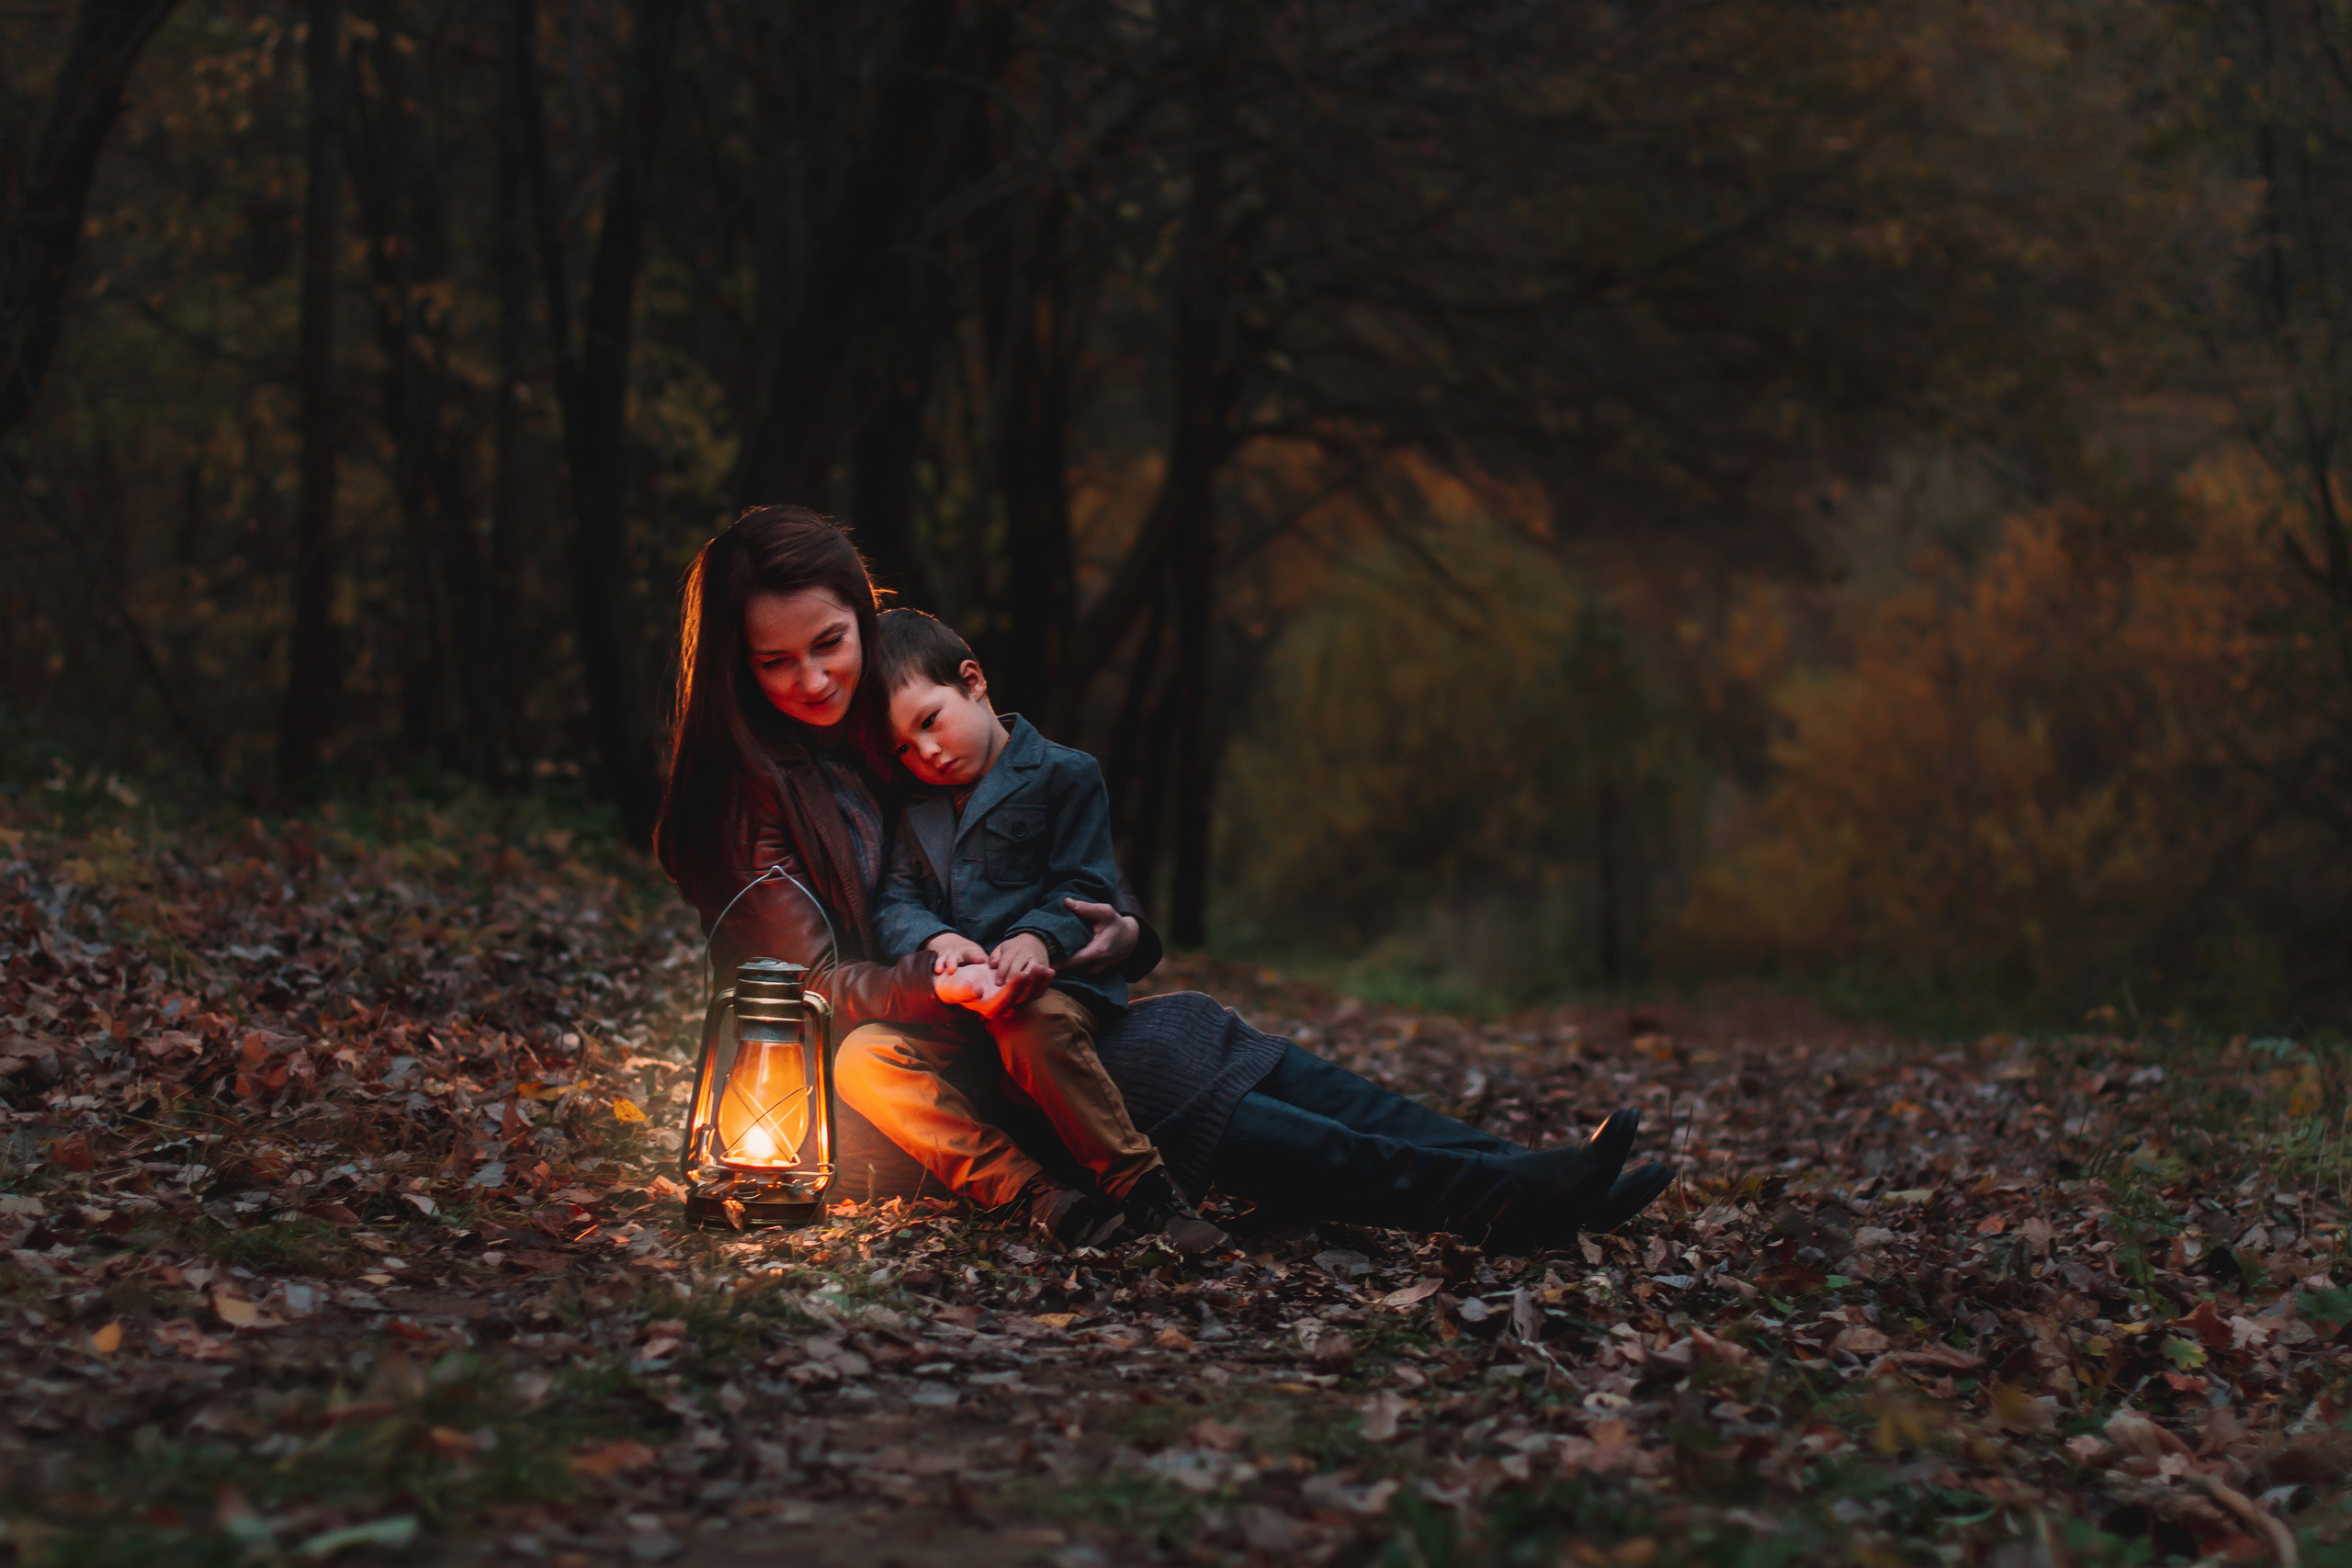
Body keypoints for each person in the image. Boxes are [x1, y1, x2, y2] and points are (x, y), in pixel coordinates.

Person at [651, 505, 1672, 1255]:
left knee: (1193, 1032)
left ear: (866, 624)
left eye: (829, 645)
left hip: (987, 1009)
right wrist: (945, 974)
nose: (813, 679)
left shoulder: (884, 731)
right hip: (895, 1075)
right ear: (740, 669)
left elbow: (1044, 878)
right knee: (1159, 1074)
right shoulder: (751, 795)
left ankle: (1520, 1169)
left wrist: (1120, 938)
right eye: (776, 664)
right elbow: (814, 992)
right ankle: (1491, 1200)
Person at [867, 609, 1223, 1252]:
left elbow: (1085, 881)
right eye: (902, 747)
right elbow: (895, 898)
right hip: (955, 1002)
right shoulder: (911, 803)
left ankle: (1142, 1188)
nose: (927, 752)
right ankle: (1027, 1191)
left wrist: (1037, 938)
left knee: (1032, 1026)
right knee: (860, 1056)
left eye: (929, 721)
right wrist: (937, 943)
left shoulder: (1067, 774)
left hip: (1046, 989)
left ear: (972, 680)